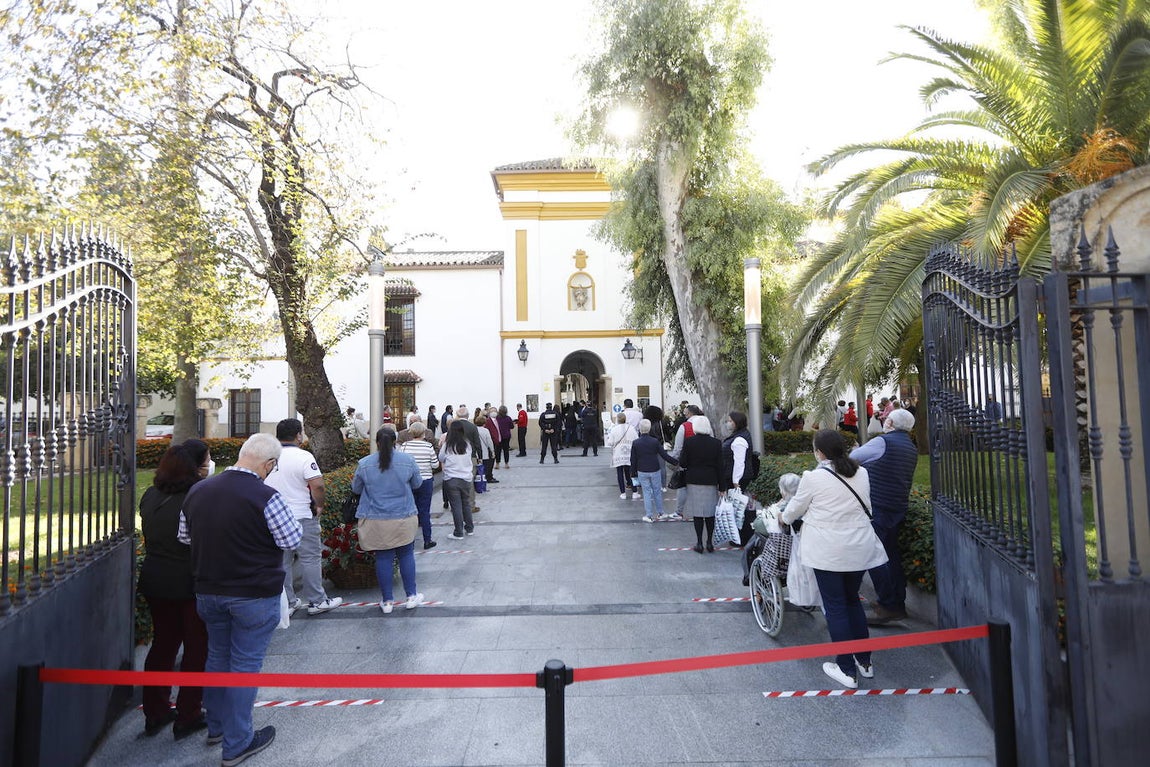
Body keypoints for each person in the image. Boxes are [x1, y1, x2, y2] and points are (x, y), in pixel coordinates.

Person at [178, 433, 302, 765]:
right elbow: (291, 539)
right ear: (269, 464)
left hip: (208, 590)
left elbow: (185, 537)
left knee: (217, 657)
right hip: (253, 594)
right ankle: (237, 743)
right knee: (245, 665)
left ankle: (217, 727)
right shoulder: (266, 496)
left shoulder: (198, 491)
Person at [781, 429, 888, 690]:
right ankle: (864, 661)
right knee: (852, 601)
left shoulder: (813, 477)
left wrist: (782, 517)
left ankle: (846, 668)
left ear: (819, 452)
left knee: (836, 606)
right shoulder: (861, 472)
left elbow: (794, 510)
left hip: (828, 552)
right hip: (859, 547)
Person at [138, 440, 211, 739]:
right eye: (206, 461)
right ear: (195, 467)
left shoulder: (150, 495)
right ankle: (188, 713)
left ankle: (155, 711)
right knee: (196, 648)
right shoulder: (197, 496)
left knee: (163, 645)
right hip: (188, 581)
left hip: (155, 578)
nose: (209, 466)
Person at [265, 418, 342, 617]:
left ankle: (288, 603)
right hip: (301, 515)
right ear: (298, 435)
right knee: (310, 558)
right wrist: (319, 504)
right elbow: (318, 485)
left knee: (282, 561)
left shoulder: (268, 457)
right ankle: (317, 600)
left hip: (275, 517)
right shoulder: (304, 456)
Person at [850, 408, 918, 624]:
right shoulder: (910, 446)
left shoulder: (882, 442)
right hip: (897, 505)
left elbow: (851, 459)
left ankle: (888, 604)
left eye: (886, 419)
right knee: (890, 554)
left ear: (890, 423)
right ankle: (896, 603)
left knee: (873, 554)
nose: (883, 420)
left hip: (878, 506)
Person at [351, 426, 425, 614]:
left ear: (376, 442)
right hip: (404, 515)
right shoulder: (407, 460)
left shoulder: (364, 464)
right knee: (406, 554)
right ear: (395, 442)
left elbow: (356, 488)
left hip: (376, 518)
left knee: (383, 557)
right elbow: (417, 483)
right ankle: (411, 596)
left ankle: (387, 601)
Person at [742, 472, 800, 586]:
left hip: (781, 545)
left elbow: (759, 525)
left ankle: (750, 577)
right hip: (798, 543)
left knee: (752, 544)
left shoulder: (784, 508)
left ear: (783, 491)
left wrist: (775, 508)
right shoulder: (802, 503)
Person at [679, 415, 722, 552]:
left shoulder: (689, 442)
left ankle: (699, 542)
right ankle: (709, 542)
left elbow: (683, 462)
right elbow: (720, 466)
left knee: (697, 513)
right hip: (711, 480)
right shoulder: (716, 443)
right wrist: (722, 486)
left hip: (694, 480)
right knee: (710, 513)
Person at [397, 421, 439, 550]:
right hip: (425, 481)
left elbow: (400, 462)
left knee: (410, 511)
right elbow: (435, 464)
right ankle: (427, 540)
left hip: (409, 480)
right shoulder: (428, 446)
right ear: (423, 433)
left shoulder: (404, 446)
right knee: (424, 511)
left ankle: (409, 541)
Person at [630, 419, 678, 521]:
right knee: (657, 491)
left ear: (640, 429)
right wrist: (676, 462)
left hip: (642, 470)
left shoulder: (636, 443)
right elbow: (664, 455)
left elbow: (633, 459)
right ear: (649, 428)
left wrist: (632, 473)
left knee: (646, 492)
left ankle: (649, 515)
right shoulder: (655, 441)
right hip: (655, 469)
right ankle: (661, 513)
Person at [438, 420, 476, 539]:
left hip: (452, 478)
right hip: (466, 477)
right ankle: (469, 528)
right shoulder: (467, 444)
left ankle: (458, 532)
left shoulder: (448, 445)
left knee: (456, 506)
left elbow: (441, 458)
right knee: (466, 504)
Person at [669, 404, 704, 520]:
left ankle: (679, 512)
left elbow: (678, 447)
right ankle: (700, 512)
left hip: (687, 462)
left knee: (683, 487)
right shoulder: (706, 424)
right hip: (703, 462)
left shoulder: (684, 426)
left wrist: (674, 460)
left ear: (689, 413)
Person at [606, 412, 639, 499]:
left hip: (618, 454)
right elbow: (637, 440)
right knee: (631, 473)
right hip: (630, 453)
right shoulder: (631, 428)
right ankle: (635, 491)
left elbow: (610, 442)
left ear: (617, 420)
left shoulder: (614, 429)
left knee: (620, 473)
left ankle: (623, 493)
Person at [475, 413, 499, 484]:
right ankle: (488, 477)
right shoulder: (485, 430)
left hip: (476, 451)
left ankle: (479, 477)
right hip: (485, 451)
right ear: (484, 423)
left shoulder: (474, 429)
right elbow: (489, 442)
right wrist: (492, 451)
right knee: (488, 465)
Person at [495, 405, 514, 469]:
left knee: (498, 450)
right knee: (506, 450)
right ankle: (506, 464)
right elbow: (512, 426)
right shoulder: (508, 418)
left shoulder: (496, 418)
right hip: (506, 436)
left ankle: (497, 464)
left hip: (498, 436)